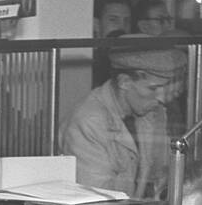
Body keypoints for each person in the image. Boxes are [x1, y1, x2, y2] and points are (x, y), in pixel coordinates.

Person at [60, 41, 181, 197]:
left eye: (165, 88)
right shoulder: (88, 122)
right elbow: (96, 197)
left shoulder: (151, 112)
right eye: (153, 88)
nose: (161, 98)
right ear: (125, 82)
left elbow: (160, 175)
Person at [91, 0, 132, 87]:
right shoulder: (86, 62)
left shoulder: (134, 62)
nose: (122, 27)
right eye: (113, 20)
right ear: (96, 24)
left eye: (127, 21)